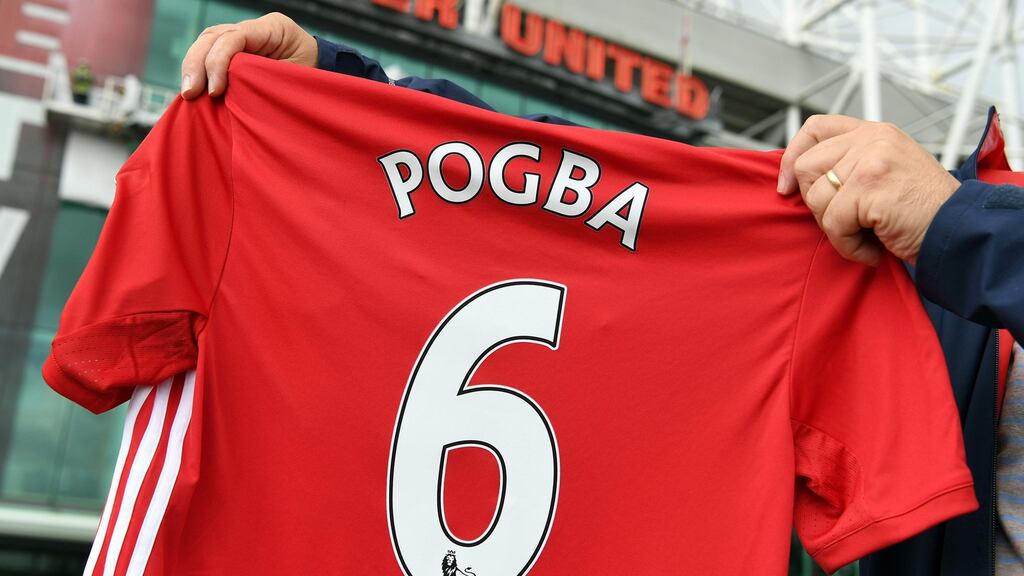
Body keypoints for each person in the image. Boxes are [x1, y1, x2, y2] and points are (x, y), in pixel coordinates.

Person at [179, 12, 1024, 574]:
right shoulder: (901, 218)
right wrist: (343, 90)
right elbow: (605, 206)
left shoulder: (940, 219)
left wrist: (962, 227)